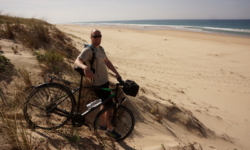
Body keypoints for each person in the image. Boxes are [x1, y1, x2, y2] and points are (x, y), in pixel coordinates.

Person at [74, 29, 122, 139]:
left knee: (105, 103)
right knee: (109, 105)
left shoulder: (101, 49)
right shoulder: (88, 50)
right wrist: (85, 67)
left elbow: (107, 62)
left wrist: (117, 73)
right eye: (95, 36)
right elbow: (77, 61)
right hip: (98, 84)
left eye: (99, 36)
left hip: (105, 82)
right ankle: (110, 129)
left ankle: (102, 124)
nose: (98, 38)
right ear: (91, 37)